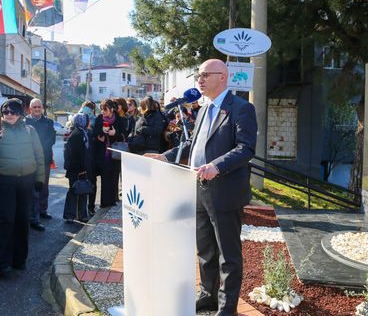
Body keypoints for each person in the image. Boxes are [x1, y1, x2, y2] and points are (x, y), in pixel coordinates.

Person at [145, 59, 257, 316]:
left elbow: (246, 148)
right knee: (206, 250)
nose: (200, 79)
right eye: (199, 75)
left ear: (223, 77)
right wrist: (165, 156)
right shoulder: (204, 109)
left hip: (224, 191)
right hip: (197, 187)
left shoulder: (241, 109)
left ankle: (227, 308)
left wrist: (217, 166)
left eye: (206, 75)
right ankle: (207, 297)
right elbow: (193, 146)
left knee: (228, 255)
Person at [0, 99, 46, 279]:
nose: (9, 115)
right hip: (3, 182)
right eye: (6, 112)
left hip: (25, 181)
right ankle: (1, 264)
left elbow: (39, 156)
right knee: (4, 222)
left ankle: (19, 259)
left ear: (20, 113)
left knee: (22, 221)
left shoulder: (29, 130)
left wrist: (40, 179)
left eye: (14, 111)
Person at [25, 98, 56, 231]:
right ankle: (31, 214)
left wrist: (40, 151)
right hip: (28, 158)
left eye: (39, 107)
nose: (37, 109)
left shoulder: (49, 122)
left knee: (43, 186)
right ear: (30, 109)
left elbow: (52, 139)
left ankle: (43, 210)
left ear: (42, 108)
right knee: (30, 188)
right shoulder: (24, 122)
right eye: (34, 107)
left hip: (45, 158)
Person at [92, 99, 125, 208]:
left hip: (115, 153)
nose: (103, 112)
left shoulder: (119, 119)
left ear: (111, 109)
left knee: (114, 177)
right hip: (103, 153)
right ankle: (105, 203)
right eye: (101, 109)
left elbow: (124, 134)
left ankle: (113, 200)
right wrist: (102, 132)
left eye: (105, 109)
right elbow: (95, 133)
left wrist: (115, 133)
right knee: (105, 178)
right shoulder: (99, 119)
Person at [63, 113, 92, 223]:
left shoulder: (84, 133)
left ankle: (81, 215)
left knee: (83, 191)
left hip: (81, 169)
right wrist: (81, 169)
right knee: (74, 191)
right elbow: (73, 155)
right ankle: (70, 215)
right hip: (76, 170)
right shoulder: (76, 135)